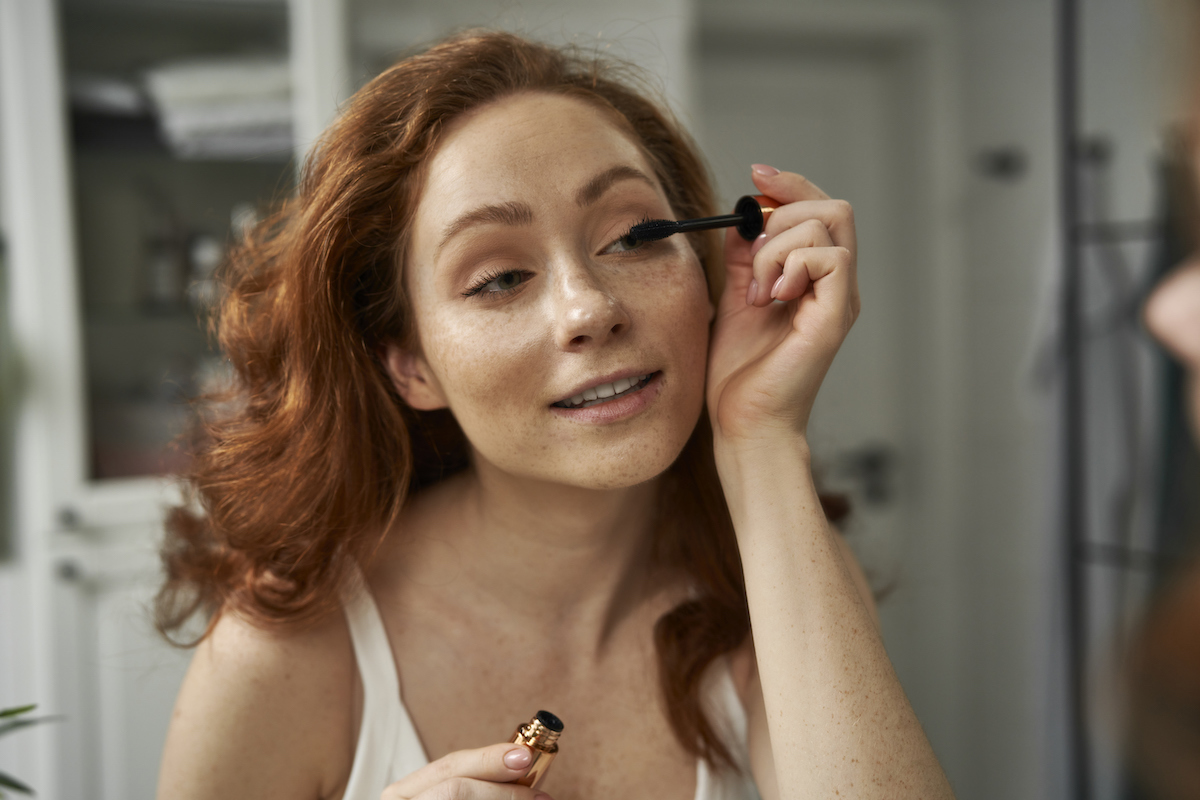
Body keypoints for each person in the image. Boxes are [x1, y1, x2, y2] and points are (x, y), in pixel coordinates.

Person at [154, 31, 954, 800]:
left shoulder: (774, 586)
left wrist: (762, 439)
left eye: (637, 237)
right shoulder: (287, 652)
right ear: (411, 363)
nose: (590, 308)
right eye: (500, 278)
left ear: (705, 274)